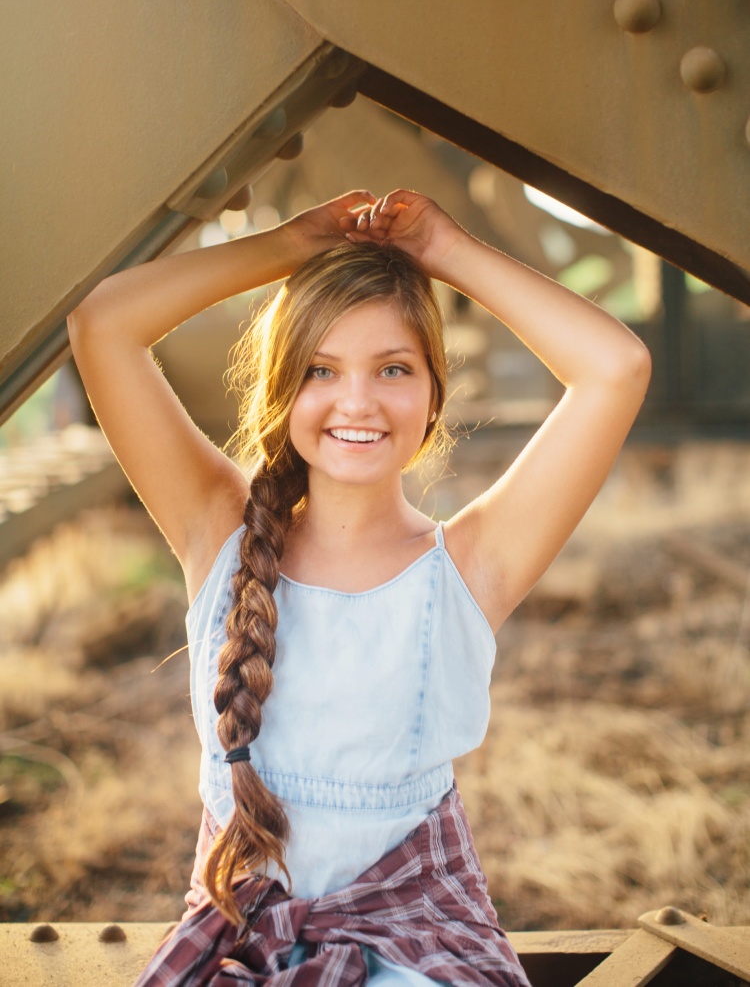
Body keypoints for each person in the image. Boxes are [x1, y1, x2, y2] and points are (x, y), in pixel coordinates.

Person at [68, 189, 651, 985]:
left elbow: (615, 368)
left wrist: (446, 251)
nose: (357, 401)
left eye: (393, 368)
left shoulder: (471, 566)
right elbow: (101, 324)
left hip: (419, 945)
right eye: (320, 370)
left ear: (433, 393)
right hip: (244, 940)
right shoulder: (218, 531)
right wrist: (285, 243)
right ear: (283, 391)